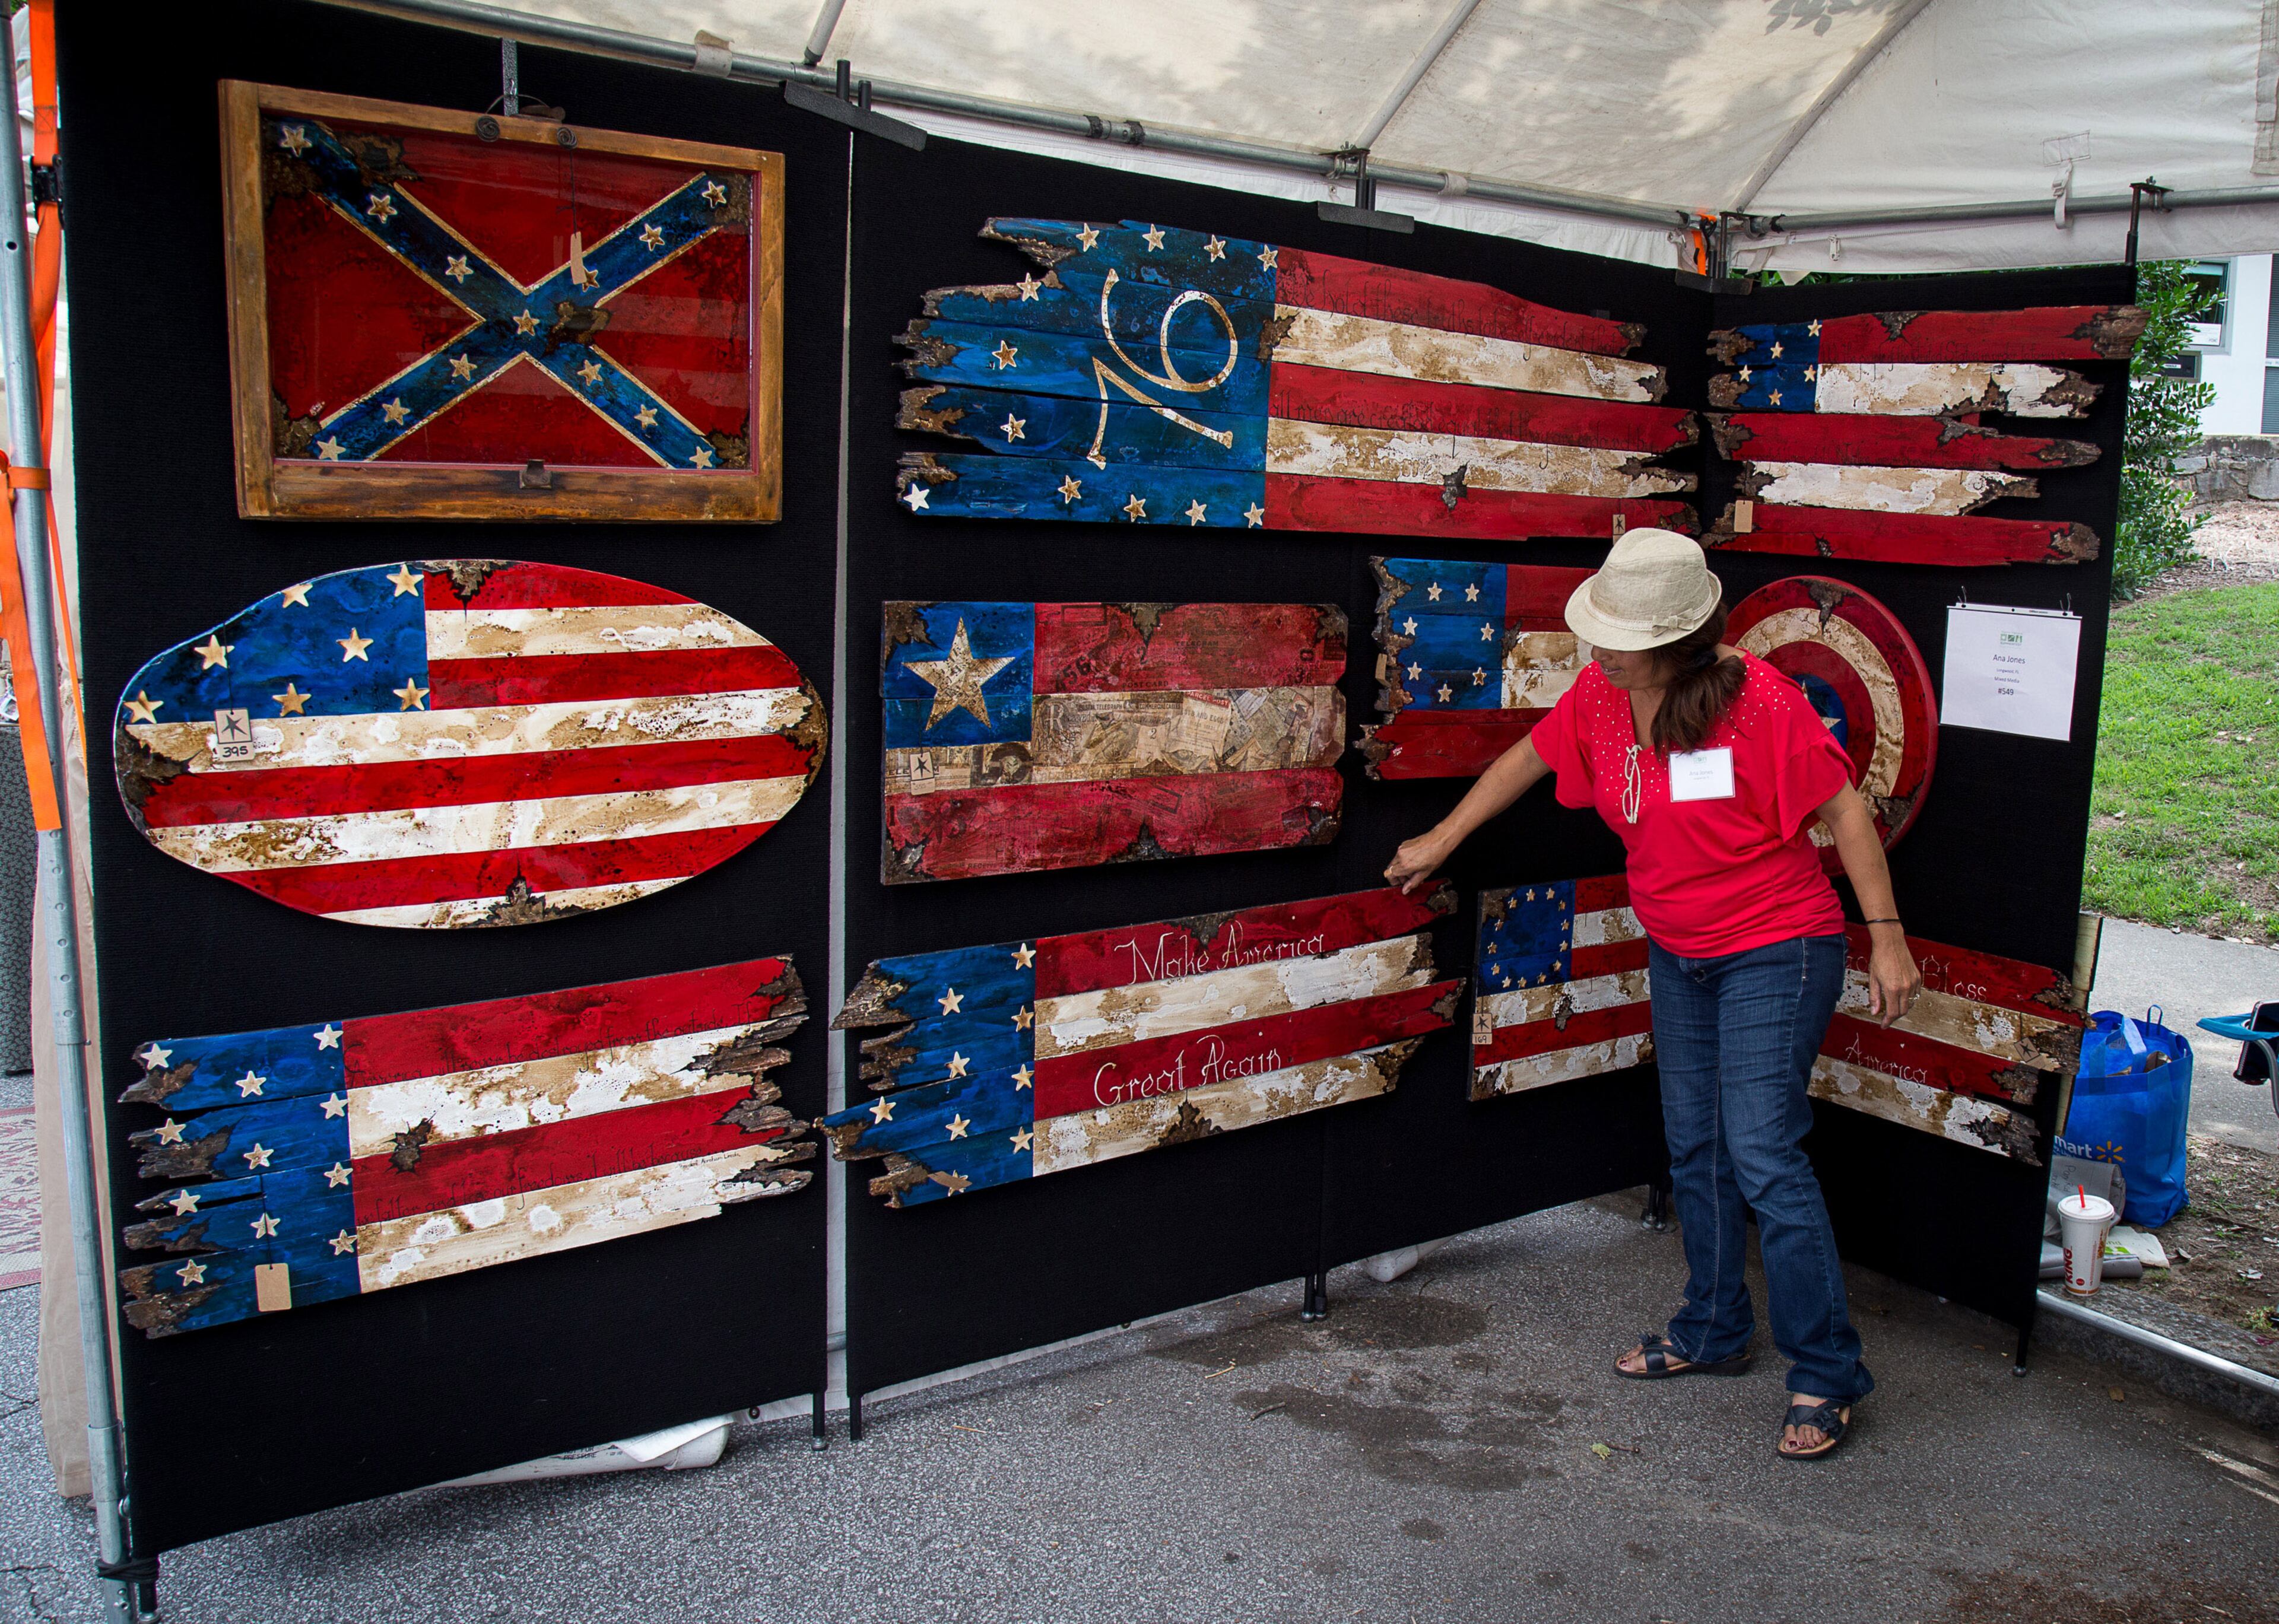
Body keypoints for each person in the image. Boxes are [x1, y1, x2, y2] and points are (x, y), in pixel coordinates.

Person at [1384, 529, 1922, 1461]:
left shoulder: (1762, 704)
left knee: (1762, 1148)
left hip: (1778, 947)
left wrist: (1888, 938)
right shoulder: (1603, 692)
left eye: (1616, 635)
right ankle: (1714, 1328)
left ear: (1673, 642)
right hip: (1682, 952)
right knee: (1697, 1144)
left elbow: (1842, 808)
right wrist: (1442, 837)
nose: (1595, 648)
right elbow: (1531, 759)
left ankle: (1827, 1370)